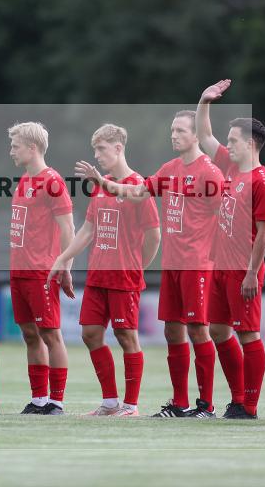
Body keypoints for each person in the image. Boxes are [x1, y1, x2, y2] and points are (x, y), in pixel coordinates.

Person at [76, 110, 224, 418]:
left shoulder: (209, 172)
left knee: (199, 330)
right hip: (172, 264)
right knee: (173, 332)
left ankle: (206, 406)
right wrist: (102, 182)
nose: (173, 135)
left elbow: (227, 216)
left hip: (196, 264)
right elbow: (137, 192)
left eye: (180, 130)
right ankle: (179, 404)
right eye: (172, 130)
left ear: (196, 135)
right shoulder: (169, 169)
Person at [49, 124, 160, 417]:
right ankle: (110, 403)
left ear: (118, 148)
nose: (97, 155)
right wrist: (62, 258)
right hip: (98, 275)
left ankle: (131, 406)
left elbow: (154, 236)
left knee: (126, 336)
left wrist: (137, 267)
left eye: (101, 149)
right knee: (90, 334)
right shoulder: (100, 186)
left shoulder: (139, 186)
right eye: (95, 149)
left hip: (124, 276)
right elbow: (87, 230)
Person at [197, 80, 265, 420]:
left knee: (248, 334)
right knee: (217, 330)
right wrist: (204, 102)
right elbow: (204, 137)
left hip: (243, 269)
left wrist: (250, 273)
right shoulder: (231, 167)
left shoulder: (263, 180)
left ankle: (250, 405)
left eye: (232, 141)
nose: (226, 146)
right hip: (220, 266)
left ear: (250, 144)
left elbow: (264, 232)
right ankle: (238, 397)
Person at [8, 122, 75, 415]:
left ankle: (56, 401)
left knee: (51, 334)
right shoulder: (24, 180)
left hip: (41, 271)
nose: (11, 151)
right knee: (29, 333)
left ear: (32, 148)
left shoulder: (53, 182)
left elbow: (68, 228)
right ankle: (38, 399)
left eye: (15, 146)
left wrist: (65, 266)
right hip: (18, 271)